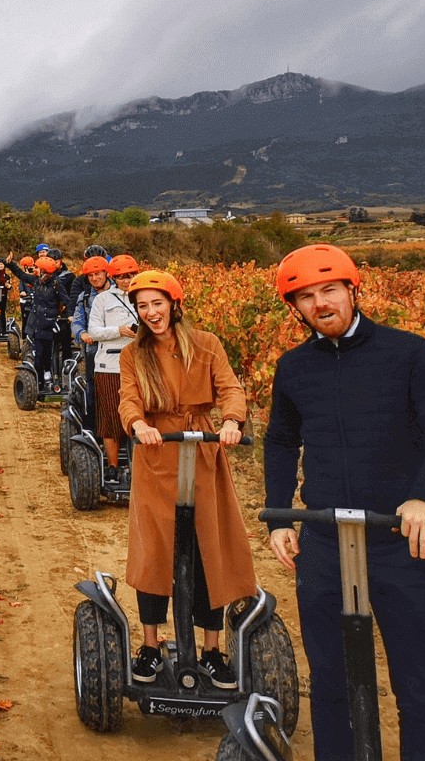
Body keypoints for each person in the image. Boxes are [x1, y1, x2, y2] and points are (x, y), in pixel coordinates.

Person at [263, 244, 425, 761]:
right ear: (295, 307)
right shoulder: (293, 368)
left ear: (353, 291)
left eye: (329, 290)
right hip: (324, 541)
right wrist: (278, 513)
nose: (320, 304)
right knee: (330, 680)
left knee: (416, 682)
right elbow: (282, 440)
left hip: (401, 540)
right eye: (306, 297)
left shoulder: (410, 353)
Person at [119, 269, 255, 690]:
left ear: (174, 304)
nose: (150, 313)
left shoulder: (206, 344)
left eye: (157, 303)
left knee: (207, 547)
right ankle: (150, 645)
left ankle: (212, 650)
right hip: (157, 454)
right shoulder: (132, 354)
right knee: (155, 551)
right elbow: (128, 398)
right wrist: (138, 424)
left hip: (202, 451)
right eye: (142, 306)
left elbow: (230, 388)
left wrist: (232, 420)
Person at [87, 255, 140, 482]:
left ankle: (139, 467)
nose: (126, 281)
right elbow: (94, 332)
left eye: (130, 276)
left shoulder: (143, 297)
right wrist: (119, 330)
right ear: (114, 277)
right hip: (109, 366)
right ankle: (113, 467)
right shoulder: (102, 300)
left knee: (139, 417)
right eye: (121, 277)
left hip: (139, 365)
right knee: (111, 416)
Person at [2, 253, 65, 384]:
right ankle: (40, 380)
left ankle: (48, 376)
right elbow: (21, 274)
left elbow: (67, 301)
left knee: (49, 353)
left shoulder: (56, 284)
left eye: (36, 268)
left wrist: (68, 315)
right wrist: (10, 263)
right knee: (38, 353)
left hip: (50, 325)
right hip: (38, 324)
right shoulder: (36, 281)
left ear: (43, 271)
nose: (34, 269)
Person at [71, 255, 112, 432]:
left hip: (118, 349)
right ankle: (93, 428)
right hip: (94, 349)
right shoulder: (86, 296)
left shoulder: (120, 292)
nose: (95, 279)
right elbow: (77, 321)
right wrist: (83, 333)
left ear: (106, 273)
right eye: (90, 276)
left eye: (98, 274)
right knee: (93, 387)